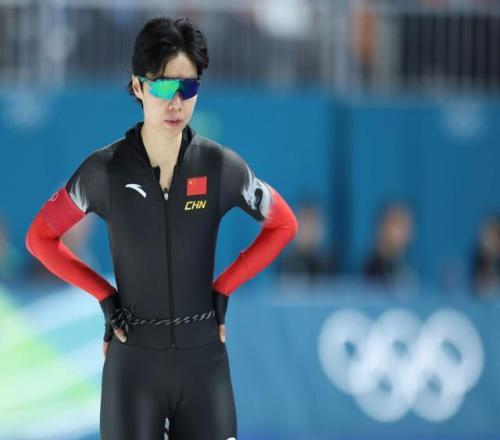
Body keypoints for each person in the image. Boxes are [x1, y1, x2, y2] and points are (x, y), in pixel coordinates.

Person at [25, 17, 298, 440]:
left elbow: (283, 224)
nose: (176, 102)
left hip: (204, 365)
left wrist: (224, 287)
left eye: (188, 87)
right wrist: (104, 295)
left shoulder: (220, 166)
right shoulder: (104, 171)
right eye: (164, 86)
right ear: (137, 86)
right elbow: (39, 238)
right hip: (133, 367)